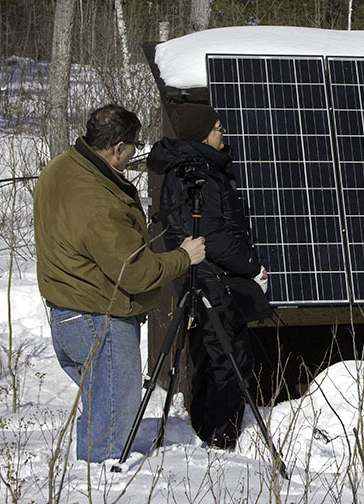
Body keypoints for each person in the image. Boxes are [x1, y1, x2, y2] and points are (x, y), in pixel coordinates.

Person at [33, 104, 206, 462]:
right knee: (111, 428)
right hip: (99, 318)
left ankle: (87, 478)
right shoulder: (98, 201)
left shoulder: (61, 167)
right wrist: (183, 257)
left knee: (100, 409)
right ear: (117, 147)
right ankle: (102, 488)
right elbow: (136, 272)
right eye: (133, 147)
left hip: (67, 314)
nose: (133, 155)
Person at [147, 103, 269, 449]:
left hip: (205, 277)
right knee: (226, 357)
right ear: (203, 134)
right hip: (210, 279)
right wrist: (251, 265)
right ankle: (219, 433)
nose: (223, 132)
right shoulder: (196, 172)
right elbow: (212, 237)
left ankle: (210, 425)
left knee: (212, 351)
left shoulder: (198, 168)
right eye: (218, 127)